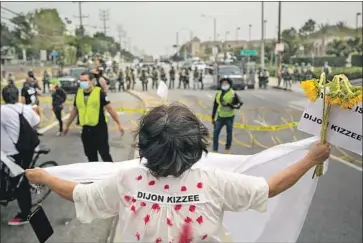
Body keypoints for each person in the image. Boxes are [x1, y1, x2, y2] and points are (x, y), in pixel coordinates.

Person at [24, 103, 331, 242]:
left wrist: (44, 177)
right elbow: (271, 187)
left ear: (143, 146)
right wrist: (308, 159)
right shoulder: (215, 183)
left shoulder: (126, 180)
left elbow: (78, 193)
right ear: (196, 146)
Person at [63, 72, 125, 162]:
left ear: (92, 81)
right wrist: (67, 126)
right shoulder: (79, 93)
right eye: (81, 80)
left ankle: (111, 173)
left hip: (99, 129)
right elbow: (74, 110)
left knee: (104, 154)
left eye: (85, 80)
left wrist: (119, 124)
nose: (82, 82)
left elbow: (110, 109)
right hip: (86, 130)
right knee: (90, 156)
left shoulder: (99, 92)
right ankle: (95, 175)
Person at [1, 84, 40, 226]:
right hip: (27, 149)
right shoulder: (25, 108)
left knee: (19, 181)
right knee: (17, 176)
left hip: (13, 153)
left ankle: (26, 214)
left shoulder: (3, 110)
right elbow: (37, 121)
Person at [212, 78, 243, 154]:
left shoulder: (233, 94)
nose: (224, 85)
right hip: (220, 117)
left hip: (229, 117)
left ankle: (227, 149)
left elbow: (239, 105)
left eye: (226, 83)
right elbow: (215, 106)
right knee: (215, 133)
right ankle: (215, 149)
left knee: (229, 133)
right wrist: (213, 117)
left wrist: (230, 105)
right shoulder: (218, 94)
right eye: (223, 83)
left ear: (229, 84)